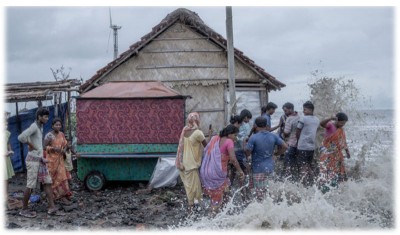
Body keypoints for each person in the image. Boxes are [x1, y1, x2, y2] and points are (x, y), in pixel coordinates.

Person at [18, 107, 64, 217]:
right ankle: (24, 209)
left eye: (48, 117)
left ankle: (52, 208)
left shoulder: (40, 127)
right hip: (32, 160)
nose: (47, 119)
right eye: (45, 117)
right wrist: (30, 145)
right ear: (39, 117)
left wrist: (40, 155)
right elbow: (21, 137)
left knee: (48, 182)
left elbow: (38, 144)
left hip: (39, 160)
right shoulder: (34, 126)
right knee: (30, 185)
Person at [200, 124, 245, 214]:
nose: (236, 138)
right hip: (217, 173)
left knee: (225, 191)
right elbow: (233, 158)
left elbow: (206, 150)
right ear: (229, 134)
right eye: (235, 135)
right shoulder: (229, 141)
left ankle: (223, 213)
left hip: (207, 171)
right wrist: (240, 171)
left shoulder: (215, 138)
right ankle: (212, 218)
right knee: (217, 198)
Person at [245, 117, 287, 201]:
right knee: (268, 193)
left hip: (258, 169)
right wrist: (276, 154)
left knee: (260, 196)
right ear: (266, 125)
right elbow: (285, 146)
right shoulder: (273, 136)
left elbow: (248, 153)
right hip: (270, 168)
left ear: (255, 125)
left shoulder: (253, 138)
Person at [175, 112, 207, 212]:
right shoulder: (198, 133)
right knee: (196, 189)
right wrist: (210, 134)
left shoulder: (185, 130)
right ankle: (193, 209)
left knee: (189, 188)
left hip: (183, 163)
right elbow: (207, 146)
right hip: (192, 165)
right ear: (197, 120)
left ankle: (191, 209)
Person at [317, 112, 351, 193]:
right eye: (342, 123)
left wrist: (347, 151)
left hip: (337, 155)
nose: (343, 125)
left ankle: (335, 189)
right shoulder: (330, 125)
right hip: (327, 154)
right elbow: (321, 124)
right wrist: (330, 118)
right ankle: (324, 190)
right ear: (337, 120)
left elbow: (343, 141)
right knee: (327, 172)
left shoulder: (341, 130)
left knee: (337, 173)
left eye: (344, 123)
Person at [44, 118, 73, 205]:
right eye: (56, 125)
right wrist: (53, 148)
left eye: (59, 125)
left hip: (60, 160)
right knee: (52, 179)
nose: (58, 126)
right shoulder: (49, 136)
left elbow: (65, 144)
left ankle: (62, 196)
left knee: (62, 178)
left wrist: (64, 149)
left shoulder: (62, 134)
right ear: (52, 126)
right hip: (51, 161)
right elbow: (44, 147)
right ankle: (52, 197)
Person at [296, 101, 320, 187]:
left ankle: (303, 184)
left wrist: (297, 142)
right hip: (311, 147)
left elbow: (298, 131)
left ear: (310, 110)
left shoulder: (303, 118)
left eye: (305, 110)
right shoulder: (317, 119)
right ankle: (315, 181)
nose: (303, 111)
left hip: (302, 146)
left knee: (302, 165)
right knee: (308, 165)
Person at [282, 102, 300, 182]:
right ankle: (296, 179)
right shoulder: (300, 116)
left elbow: (286, 132)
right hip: (300, 144)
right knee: (296, 163)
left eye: (285, 111)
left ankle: (286, 180)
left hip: (291, 143)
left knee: (287, 163)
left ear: (291, 109)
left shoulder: (289, 119)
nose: (285, 113)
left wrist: (283, 134)